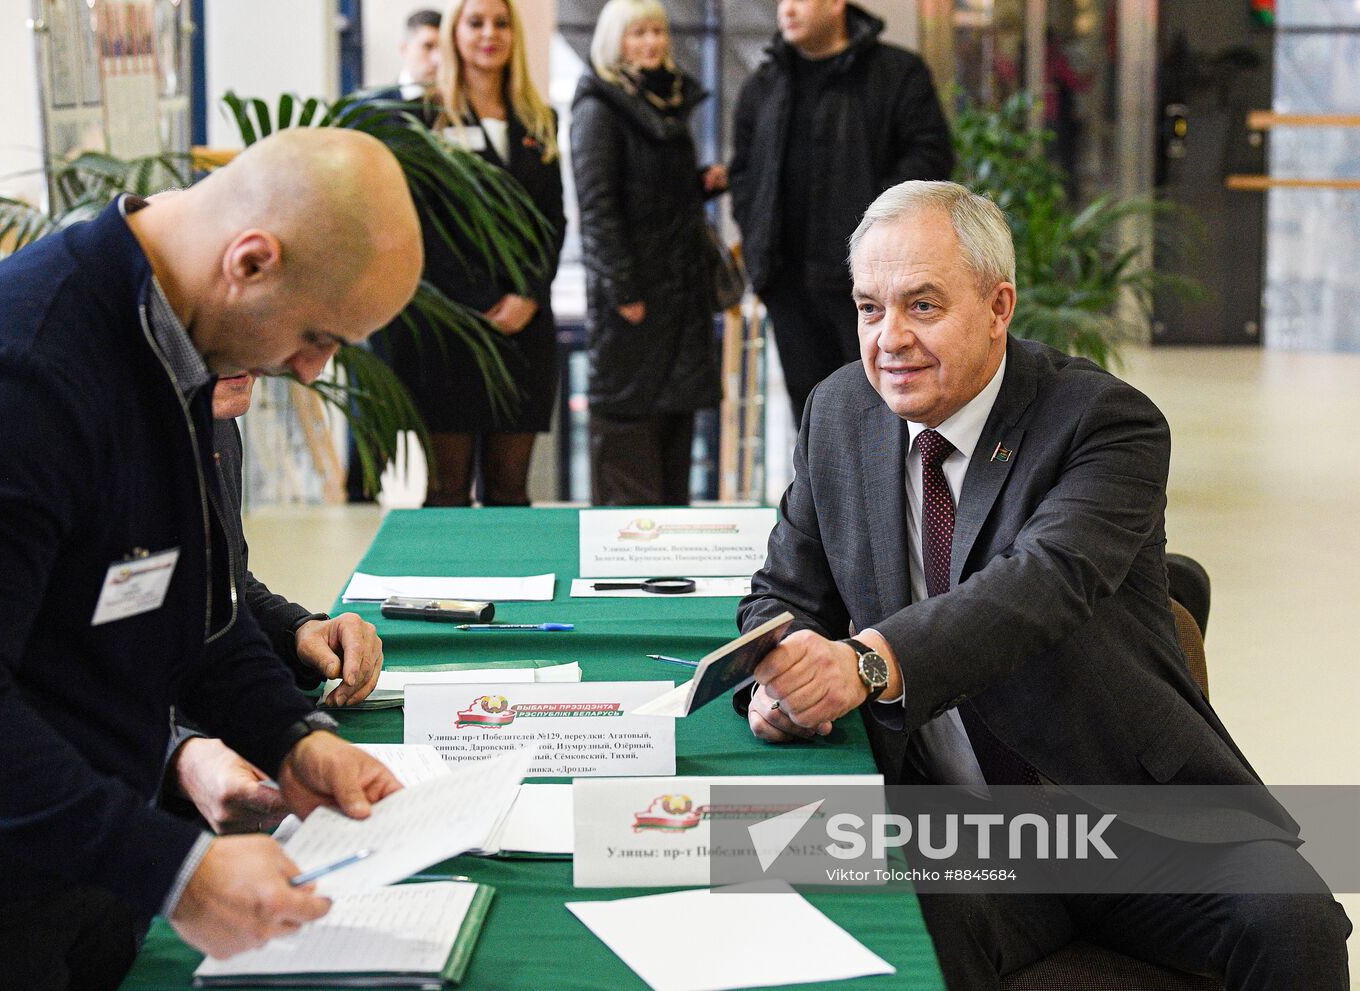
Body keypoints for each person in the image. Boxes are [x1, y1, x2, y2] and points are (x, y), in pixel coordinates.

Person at [735, 181, 1351, 988]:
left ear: (999, 306)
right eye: (869, 307)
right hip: (958, 825)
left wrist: (866, 663)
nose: (889, 339)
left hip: (1128, 815)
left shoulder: (1103, 422)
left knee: (1291, 920)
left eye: (923, 305)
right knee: (879, 917)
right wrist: (776, 675)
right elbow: (781, 593)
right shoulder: (840, 412)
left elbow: (1040, 586)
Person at [0, 128, 423, 988]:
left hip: (88, 867)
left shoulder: (175, 347)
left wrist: (290, 737)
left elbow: (195, 600)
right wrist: (170, 866)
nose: (309, 368)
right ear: (250, 261)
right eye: (317, 335)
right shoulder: (22, 371)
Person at [165, 372, 387, 835]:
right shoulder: (44, 418)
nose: (301, 370)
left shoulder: (218, 415)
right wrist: (177, 756)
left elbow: (219, 589)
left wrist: (299, 632)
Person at [376, 0, 565, 507]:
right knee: (446, 491)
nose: (489, 34)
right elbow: (424, 228)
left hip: (524, 329)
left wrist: (526, 295)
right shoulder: (423, 120)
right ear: (454, 33)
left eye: (501, 23)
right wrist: (480, 300)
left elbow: (552, 220)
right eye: (475, 22)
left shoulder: (539, 119)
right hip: (450, 328)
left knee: (510, 489)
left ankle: (517, 587)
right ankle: (447, 590)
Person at [729, 0, 954, 423]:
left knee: (885, 412)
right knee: (813, 415)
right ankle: (823, 493)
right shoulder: (765, 84)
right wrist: (756, 235)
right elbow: (744, 173)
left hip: (873, 287)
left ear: (835, 5)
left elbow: (929, 158)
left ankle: (890, 492)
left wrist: (880, 233)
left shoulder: (896, 73)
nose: (786, 10)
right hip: (787, 281)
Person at [571, 0, 727, 505]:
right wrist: (623, 291)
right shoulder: (598, 108)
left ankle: (670, 570)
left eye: (657, 32)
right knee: (628, 432)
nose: (652, 43)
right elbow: (597, 208)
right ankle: (625, 573)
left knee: (673, 437)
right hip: (634, 304)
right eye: (638, 33)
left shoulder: (668, 103)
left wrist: (700, 185)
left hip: (679, 297)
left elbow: (653, 193)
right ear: (614, 41)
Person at [399, 8, 443, 97]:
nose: (438, 59)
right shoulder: (373, 106)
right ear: (404, 49)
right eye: (428, 46)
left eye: (444, 49)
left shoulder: (462, 104)